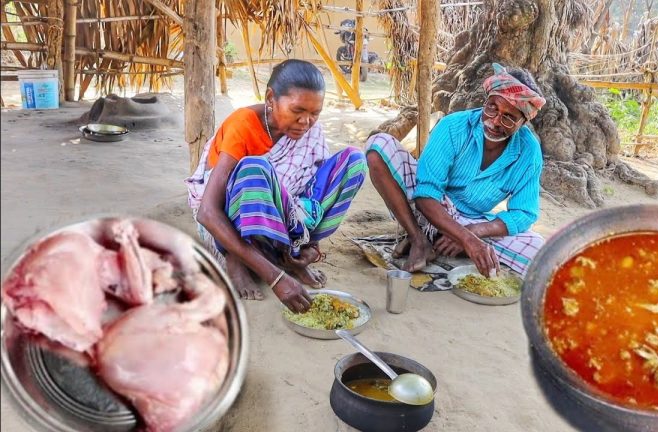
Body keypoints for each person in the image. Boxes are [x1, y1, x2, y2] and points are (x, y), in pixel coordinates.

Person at [186, 60, 368, 312]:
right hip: (235, 219)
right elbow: (208, 212)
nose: (306, 121)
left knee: (355, 161)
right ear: (271, 98)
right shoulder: (245, 125)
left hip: (284, 215)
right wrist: (277, 278)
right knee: (254, 168)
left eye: (315, 113)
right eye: (298, 110)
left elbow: (310, 189)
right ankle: (237, 258)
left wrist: (313, 248)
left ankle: (297, 252)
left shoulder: (309, 132)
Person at [365, 63, 546, 278]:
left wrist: (472, 232)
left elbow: (524, 213)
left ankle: (443, 239)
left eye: (508, 117)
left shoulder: (528, 150)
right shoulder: (453, 126)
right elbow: (425, 195)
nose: (495, 121)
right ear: (485, 101)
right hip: (428, 210)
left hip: (473, 220)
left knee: (541, 254)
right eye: (492, 108)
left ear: (523, 122)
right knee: (378, 146)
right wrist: (467, 240)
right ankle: (418, 238)